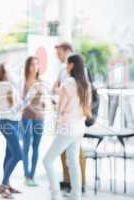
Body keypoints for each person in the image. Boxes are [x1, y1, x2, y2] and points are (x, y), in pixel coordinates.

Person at [44, 54, 91, 200]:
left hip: (67, 128)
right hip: (79, 127)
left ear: (71, 65)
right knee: (73, 161)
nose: (65, 66)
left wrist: (54, 103)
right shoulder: (85, 84)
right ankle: (76, 195)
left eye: (67, 63)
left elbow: (61, 109)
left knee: (47, 160)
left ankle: (55, 195)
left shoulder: (68, 83)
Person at [53, 42, 87, 193]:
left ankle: (77, 185)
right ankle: (72, 186)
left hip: (70, 122)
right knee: (70, 157)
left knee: (72, 155)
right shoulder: (76, 77)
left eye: (59, 53)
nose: (57, 56)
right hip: (77, 122)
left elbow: (62, 101)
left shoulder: (72, 75)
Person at [0, 63, 23, 199]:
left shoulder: (5, 86)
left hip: (15, 122)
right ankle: (3, 184)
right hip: (7, 123)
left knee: (9, 154)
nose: (11, 73)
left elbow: (16, 105)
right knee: (18, 155)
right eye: (9, 71)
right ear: (3, 73)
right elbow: (19, 100)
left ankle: (7, 184)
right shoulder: (2, 85)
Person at [20, 56, 45, 187]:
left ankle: (32, 175)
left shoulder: (40, 82)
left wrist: (44, 105)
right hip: (26, 117)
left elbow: (43, 100)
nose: (35, 67)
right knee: (26, 146)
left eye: (37, 64)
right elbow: (22, 101)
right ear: (28, 67)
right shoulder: (23, 82)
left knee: (36, 146)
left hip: (39, 118)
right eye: (32, 64)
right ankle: (26, 175)